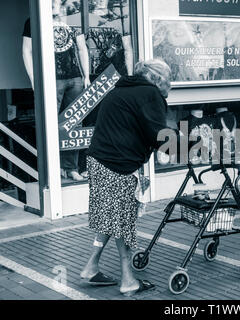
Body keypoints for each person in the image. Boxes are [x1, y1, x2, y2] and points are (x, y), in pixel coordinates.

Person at [80, 59, 172, 296]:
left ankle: (91, 266)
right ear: (156, 78)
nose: (169, 84)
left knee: (112, 216)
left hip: (99, 161)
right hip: (117, 166)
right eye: (167, 78)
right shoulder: (149, 93)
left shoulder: (120, 91)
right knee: (123, 221)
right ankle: (128, 280)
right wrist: (193, 145)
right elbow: (158, 135)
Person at [22, 0, 91, 181]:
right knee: (49, 123)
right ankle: (51, 169)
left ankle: (71, 168)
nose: (56, 4)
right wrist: (34, 79)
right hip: (50, 78)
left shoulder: (72, 20)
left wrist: (87, 76)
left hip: (75, 77)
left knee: (74, 123)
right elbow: (26, 51)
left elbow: (83, 48)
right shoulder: (35, 21)